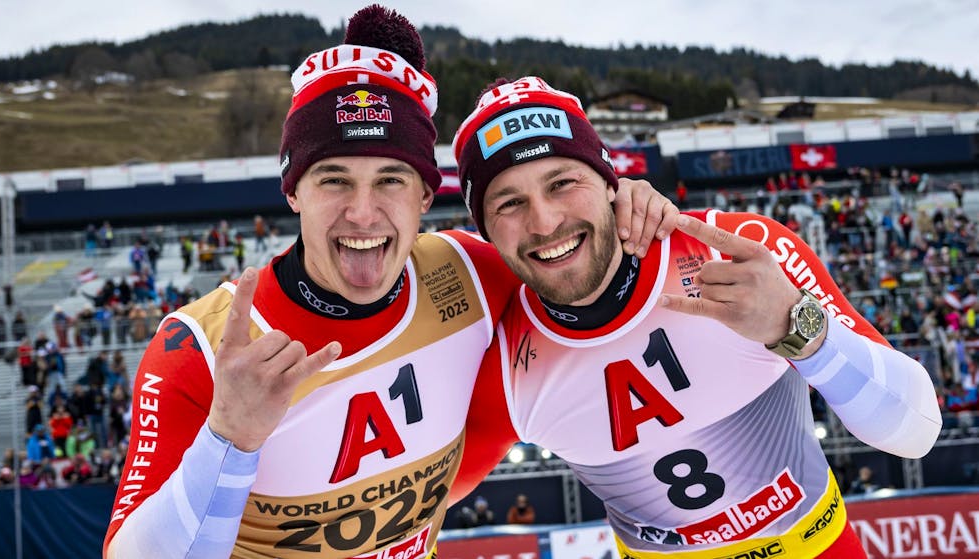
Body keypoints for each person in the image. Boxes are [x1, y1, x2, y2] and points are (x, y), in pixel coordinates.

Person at [103, 8, 677, 559]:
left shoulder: (472, 275)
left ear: (425, 195)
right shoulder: (202, 347)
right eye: (333, 180)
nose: (362, 213)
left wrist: (624, 205)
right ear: (293, 192)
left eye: (390, 180)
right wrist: (228, 438)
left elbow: (578, 260)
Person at [451, 77, 942, 558]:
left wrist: (800, 330)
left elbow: (915, 431)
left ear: (609, 184)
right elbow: (412, 516)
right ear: (486, 230)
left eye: (563, 183)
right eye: (509, 203)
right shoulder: (504, 365)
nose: (544, 221)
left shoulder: (741, 251)